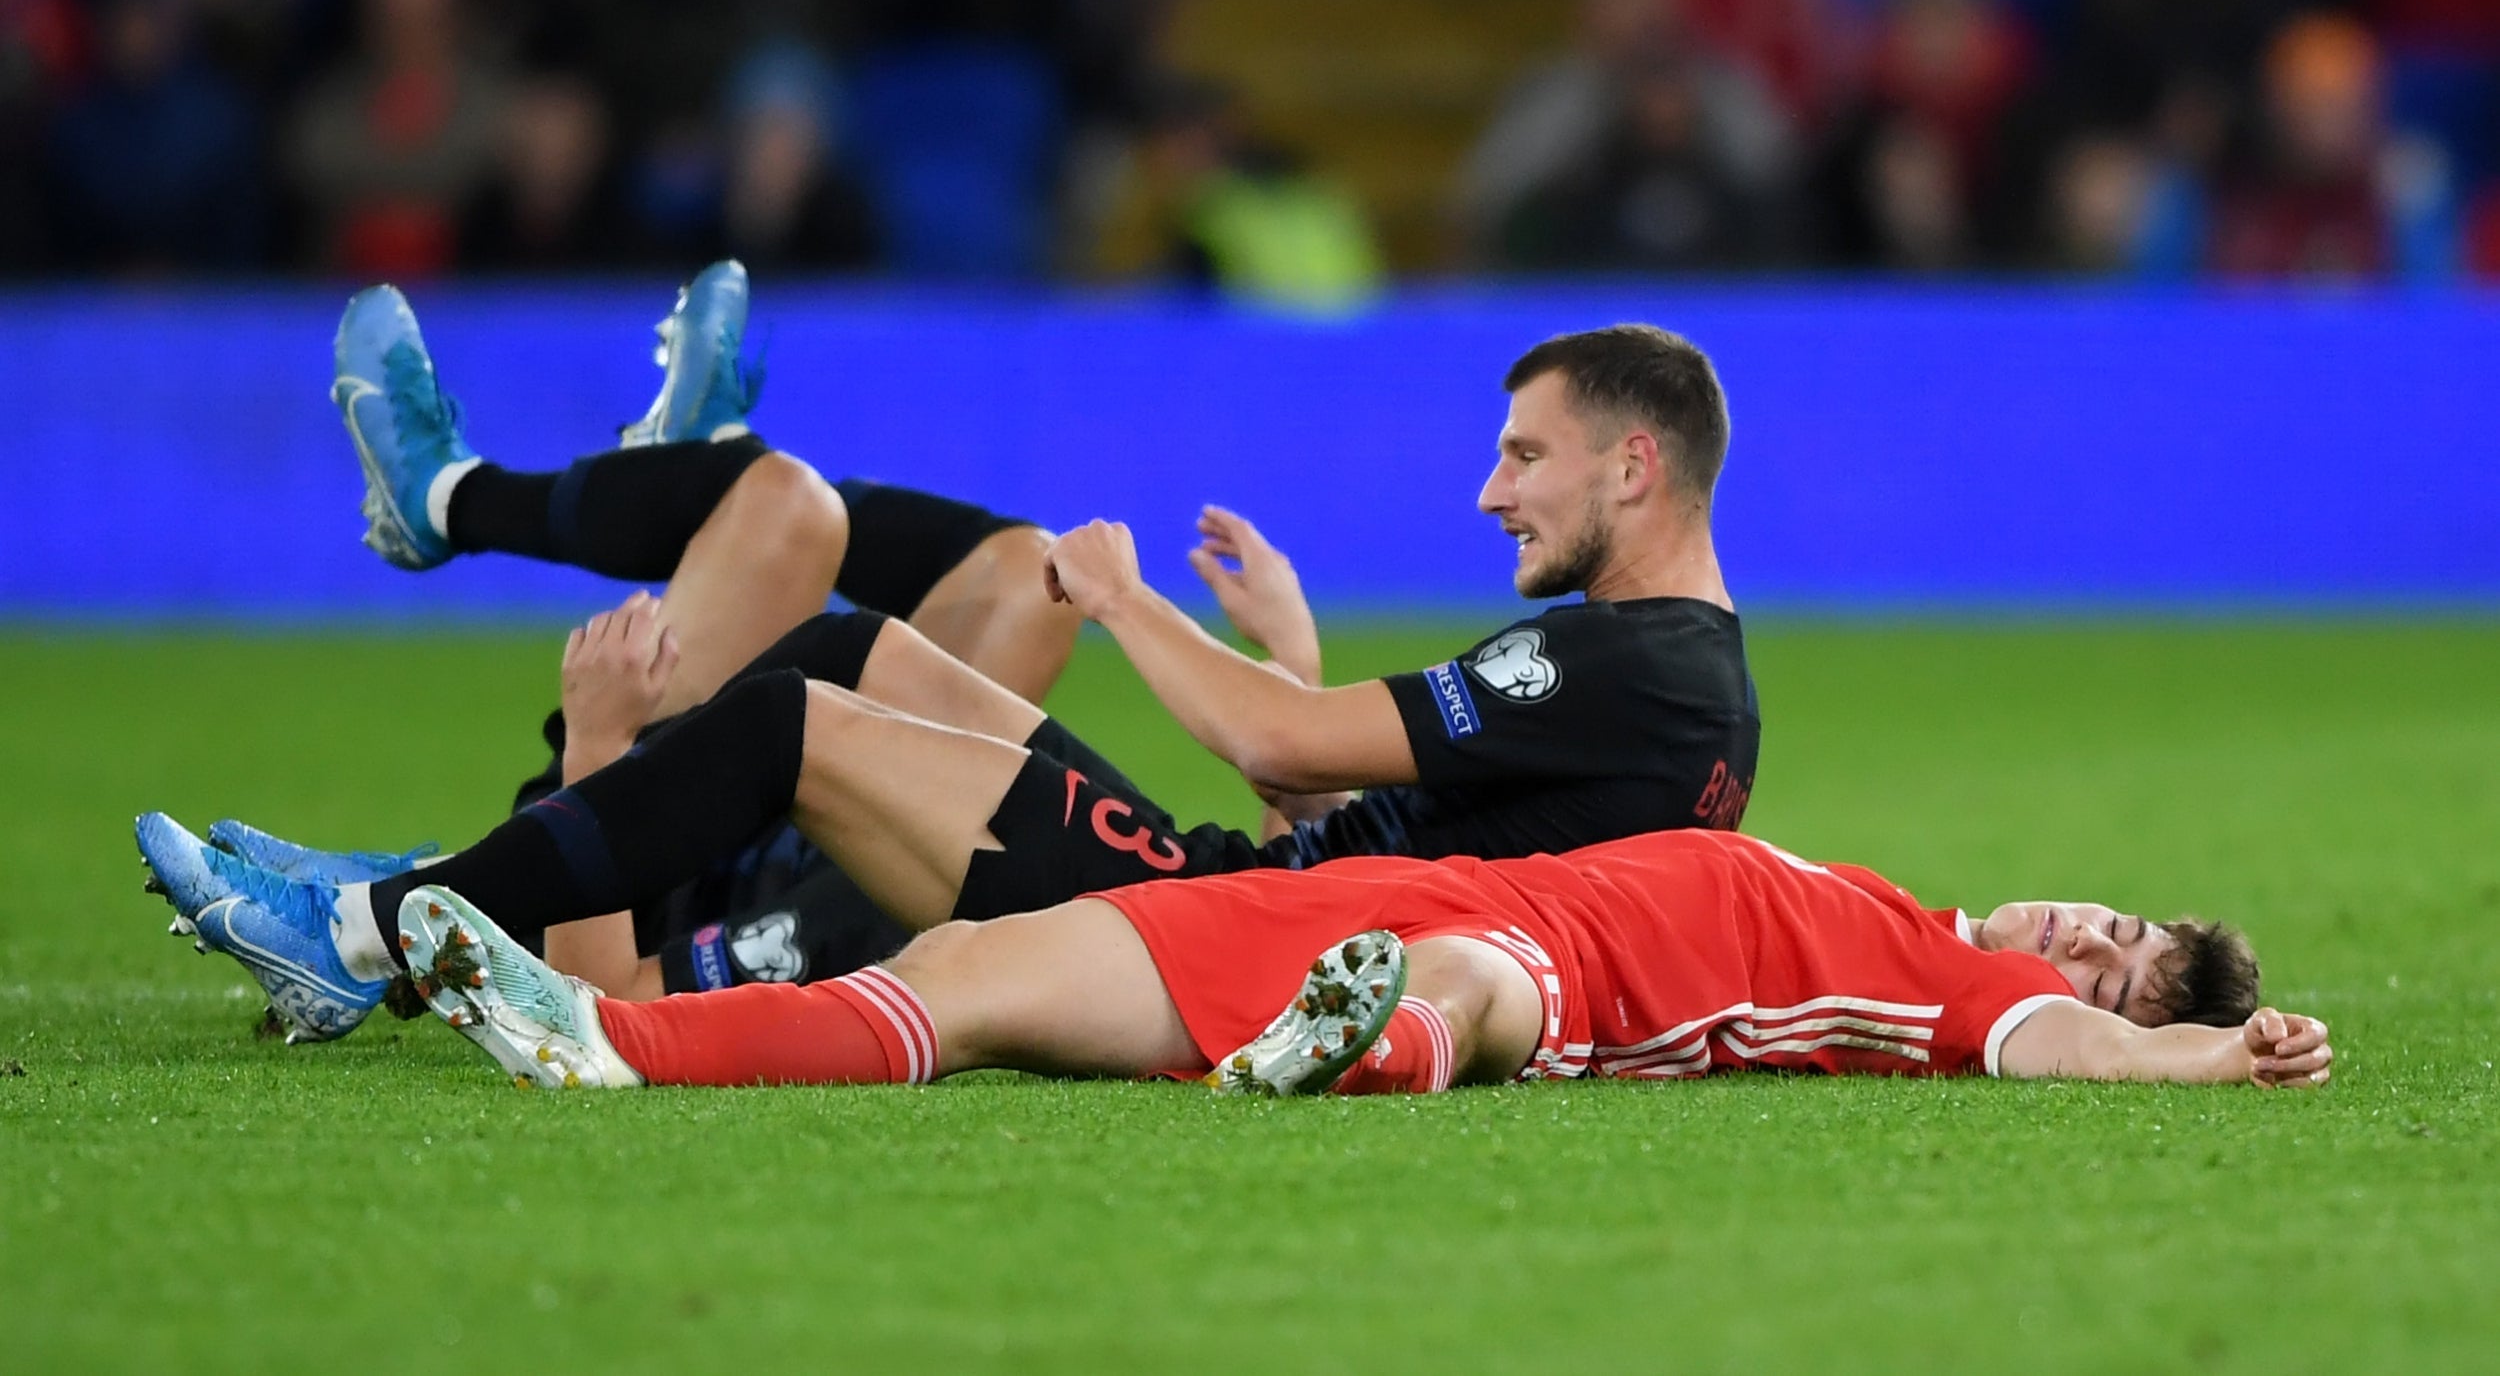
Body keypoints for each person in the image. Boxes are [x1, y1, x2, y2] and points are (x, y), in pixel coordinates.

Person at [141, 317, 1762, 1048]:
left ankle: (374, 933)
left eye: (1524, 454)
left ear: (1633, 467)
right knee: (849, 647)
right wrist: (1293, 659)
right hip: (1272, 906)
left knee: (796, 707)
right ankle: (429, 872)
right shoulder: (1676, 687)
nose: (1492, 491)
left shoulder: (1629, 662)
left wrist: (1133, 607)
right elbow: (1389, 824)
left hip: (1222, 932)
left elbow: (1274, 748)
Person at [384, 826, 2331, 1097]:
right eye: (2112, 916)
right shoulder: (1890, 894)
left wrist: (2202, 1060)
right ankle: (617, 1038)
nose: (2085, 941)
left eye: (2122, 966)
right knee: (968, 961)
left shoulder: (1961, 999)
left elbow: (2065, 1062)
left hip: (1544, 968)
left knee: (1466, 990)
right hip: (1386, 889)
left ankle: (1364, 1052)